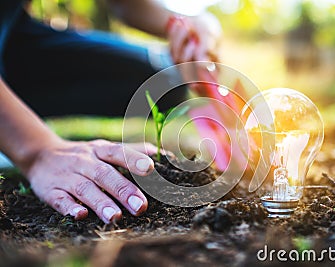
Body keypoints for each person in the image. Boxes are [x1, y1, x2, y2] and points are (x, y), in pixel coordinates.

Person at [0, 0, 220, 224]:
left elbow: (125, 4)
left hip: (13, 32)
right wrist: (38, 150)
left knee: (170, 80)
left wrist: (190, 24)